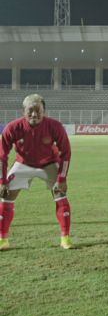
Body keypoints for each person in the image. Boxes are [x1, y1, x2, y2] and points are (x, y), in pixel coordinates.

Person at [0, 94, 73, 250]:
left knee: (60, 195)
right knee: (5, 196)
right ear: (23, 111)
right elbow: (2, 156)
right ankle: (3, 240)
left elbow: (65, 152)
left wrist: (62, 178)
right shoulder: (13, 128)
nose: (34, 114)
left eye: (38, 110)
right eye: (30, 110)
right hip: (23, 164)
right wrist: (2, 181)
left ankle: (65, 238)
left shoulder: (55, 126)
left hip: (49, 164)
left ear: (44, 111)